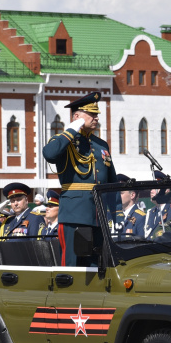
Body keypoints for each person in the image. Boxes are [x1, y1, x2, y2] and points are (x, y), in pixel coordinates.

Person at [42, 91, 117, 267]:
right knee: (71, 264)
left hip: (98, 215)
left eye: (96, 114)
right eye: (91, 114)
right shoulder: (64, 140)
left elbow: (111, 181)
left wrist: (116, 213)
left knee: (97, 263)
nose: (96, 118)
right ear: (77, 116)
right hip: (74, 213)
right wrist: (71, 130)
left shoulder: (101, 145)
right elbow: (49, 154)